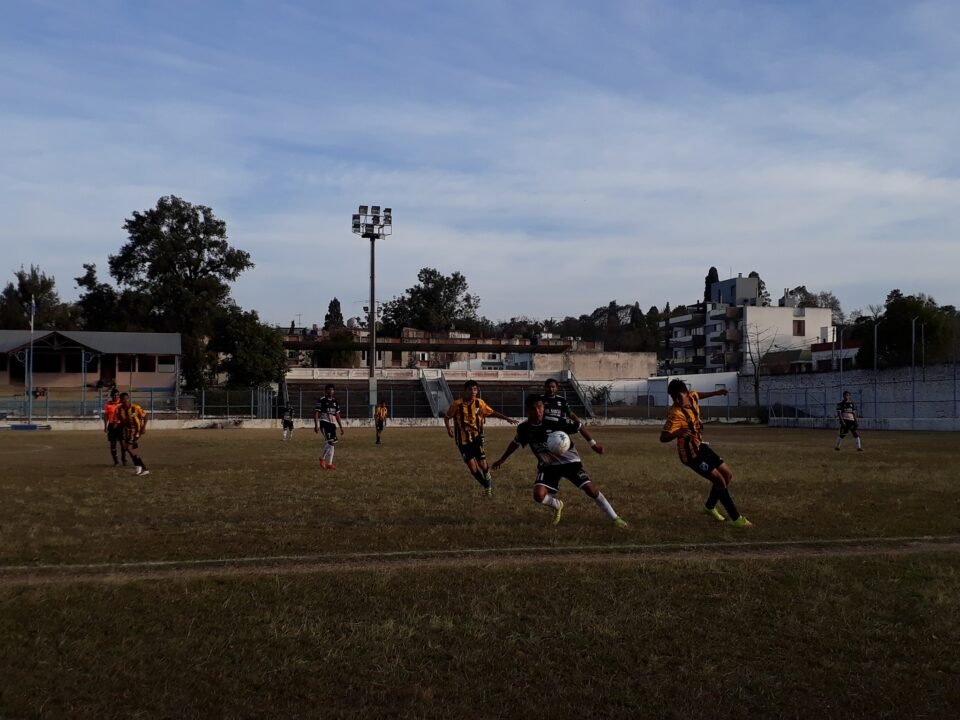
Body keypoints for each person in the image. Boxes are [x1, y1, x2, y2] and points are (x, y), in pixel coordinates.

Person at [492, 394, 628, 528]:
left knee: (590, 490)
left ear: (543, 407)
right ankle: (558, 505)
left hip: (570, 462)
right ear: (527, 411)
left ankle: (615, 518)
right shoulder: (524, 428)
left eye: (540, 407)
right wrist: (502, 459)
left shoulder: (555, 421)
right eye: (534, 409)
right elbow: (515, 443)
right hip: (548, 466)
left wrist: (594, 445)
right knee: (538, 495)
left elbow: (579, 426)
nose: (538, 411)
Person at [660, 379, 751, 527]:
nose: (676, 400)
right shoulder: (675, 413)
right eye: (673, 397)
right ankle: (736, 518)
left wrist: (717, 393)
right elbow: (663, 437)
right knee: (719, 480)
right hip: (690, 455)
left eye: (678, 396)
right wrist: (678, 432)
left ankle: (709, 506)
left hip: (700, 446)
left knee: (727, 475)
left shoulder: (692, 396)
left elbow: (699, 395)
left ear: (686, 393)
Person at [444, 380, 518, 496]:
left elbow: (492, 412)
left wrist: (507, 418)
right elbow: (447, 417)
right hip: (462, 441)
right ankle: (487, 486)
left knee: (482, 465)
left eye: (475, 389)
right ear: (465, 391)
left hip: (476, 438)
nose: (473, 392)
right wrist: (449, 429)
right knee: (473, 469)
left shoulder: (480, 403)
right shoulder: (457, 404)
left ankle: (487, 476)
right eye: (470, 389)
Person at [115, 392, 149, 476]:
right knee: (130, 450)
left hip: (136, 431)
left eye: (126, 399)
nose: (125, 401)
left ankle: (144, 468)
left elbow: (145, 416)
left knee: (129, 448)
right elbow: (120, 421)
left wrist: (144, 427)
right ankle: (138, 466)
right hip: (127, 431)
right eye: (123, 399)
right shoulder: (119, 409)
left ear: (128, 399)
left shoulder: (135, 407)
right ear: (120, 400)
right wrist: (118, 425)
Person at [314, 384, 345, 469]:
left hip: (332, 424)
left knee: (332, 443)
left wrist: (341, 427)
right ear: (326, 391)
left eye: (332, 390)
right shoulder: (322, 400)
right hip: (324, 423)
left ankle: (330, 463)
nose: (330, 391)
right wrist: (316, 425)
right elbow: (317, 413)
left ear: (334, 391)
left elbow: (337, 415)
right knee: (330, 441)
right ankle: (322, 458)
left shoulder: (335, 402)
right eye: (329, 389)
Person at [102, 387, 127, 466]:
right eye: (114, 395)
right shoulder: (108, 404)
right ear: (111, 396)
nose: (116, 396)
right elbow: (106, 416)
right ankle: (116, 461)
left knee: (123, 444)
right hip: (112, 425)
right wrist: (105, 426)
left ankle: (124, 459)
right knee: (113, 444)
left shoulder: (122, 403)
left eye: (117, 395)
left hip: (120, 425)